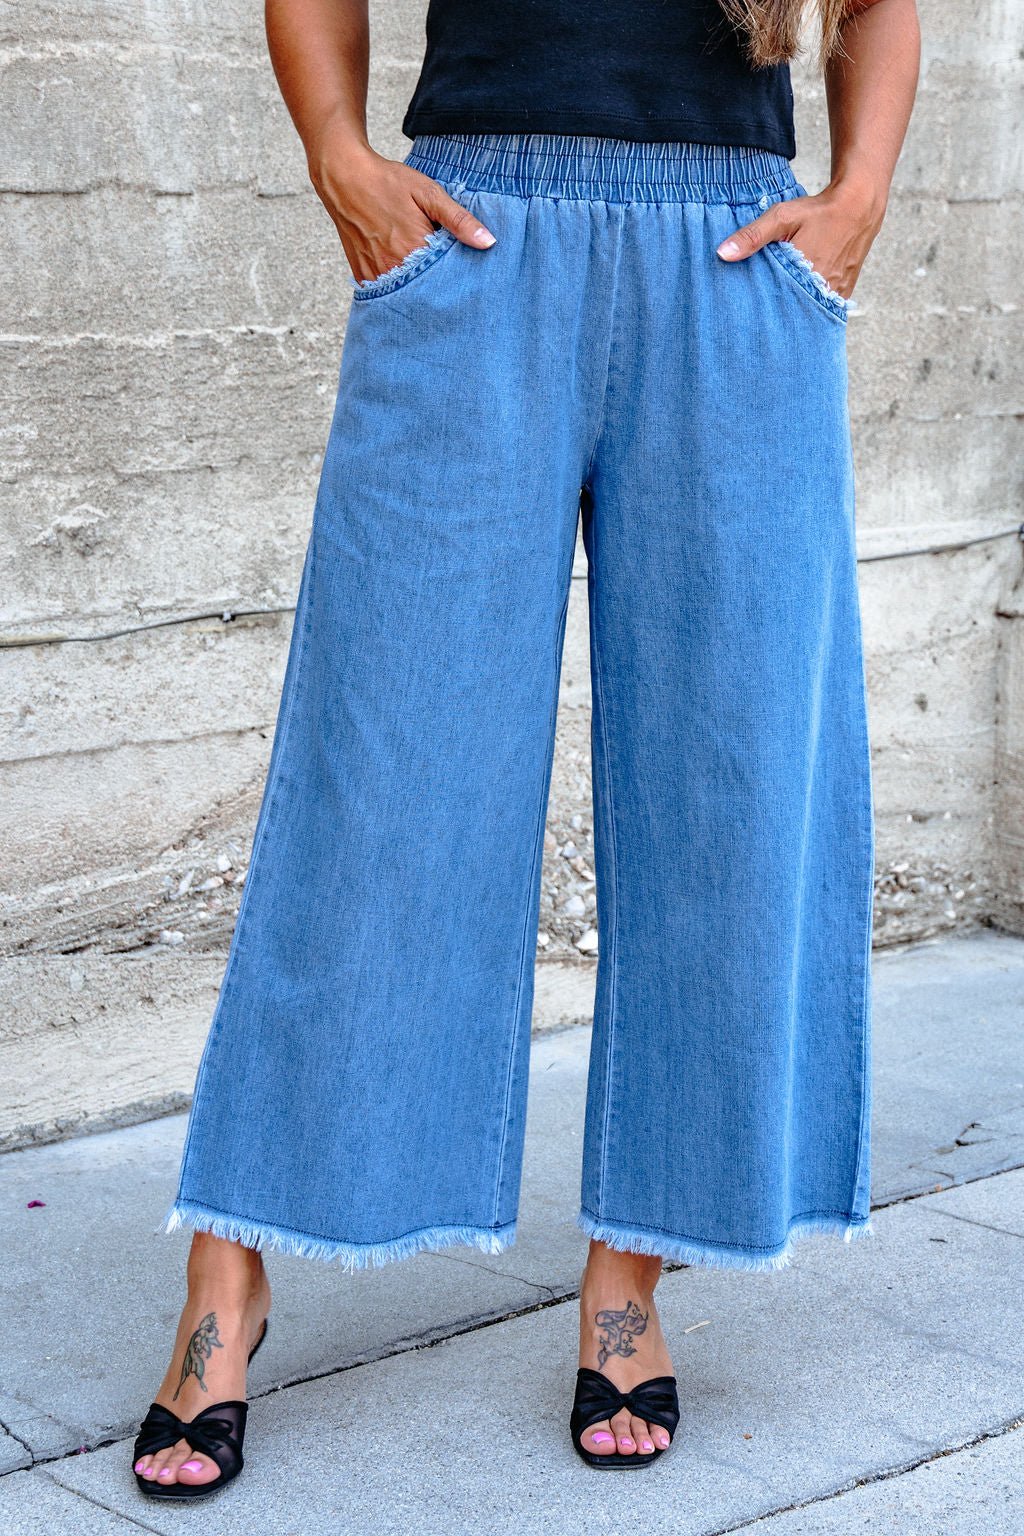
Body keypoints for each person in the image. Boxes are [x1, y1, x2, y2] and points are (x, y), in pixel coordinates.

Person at [131, 0, 920, 1496]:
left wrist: (859, 196)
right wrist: (337, 155)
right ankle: (229, 1268)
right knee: (384, 775)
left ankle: (633, 1272)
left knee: (734, 783)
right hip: (477, 243)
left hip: (736, 262)